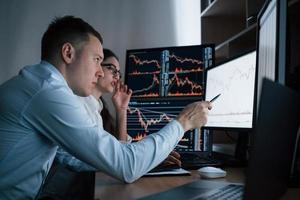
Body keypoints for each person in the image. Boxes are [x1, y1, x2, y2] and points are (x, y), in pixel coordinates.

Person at [0, 16, 211, 200]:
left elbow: (77, 158)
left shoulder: (38, 84)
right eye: (97, 60)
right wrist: (184, 121)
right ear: (68, 53)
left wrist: (149, 159)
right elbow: (126, 166)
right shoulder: (47, 92)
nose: (100, 72)